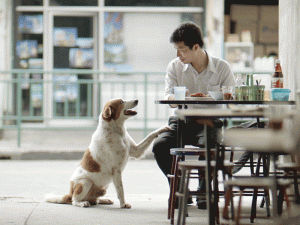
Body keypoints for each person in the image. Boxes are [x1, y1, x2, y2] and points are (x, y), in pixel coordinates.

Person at [152, 21, 236, 209]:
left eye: (181, 50)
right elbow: (169, 98)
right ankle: (180, 187)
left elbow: (231, 98)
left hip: (210, 122)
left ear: (196, 47)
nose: (177, 54)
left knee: (209, 146)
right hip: (181, 121)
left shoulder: (222, 68)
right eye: (176, 49)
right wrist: (188, 98)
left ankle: (204, 191)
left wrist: (210, 102)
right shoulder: (174, 67)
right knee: (160, 145)